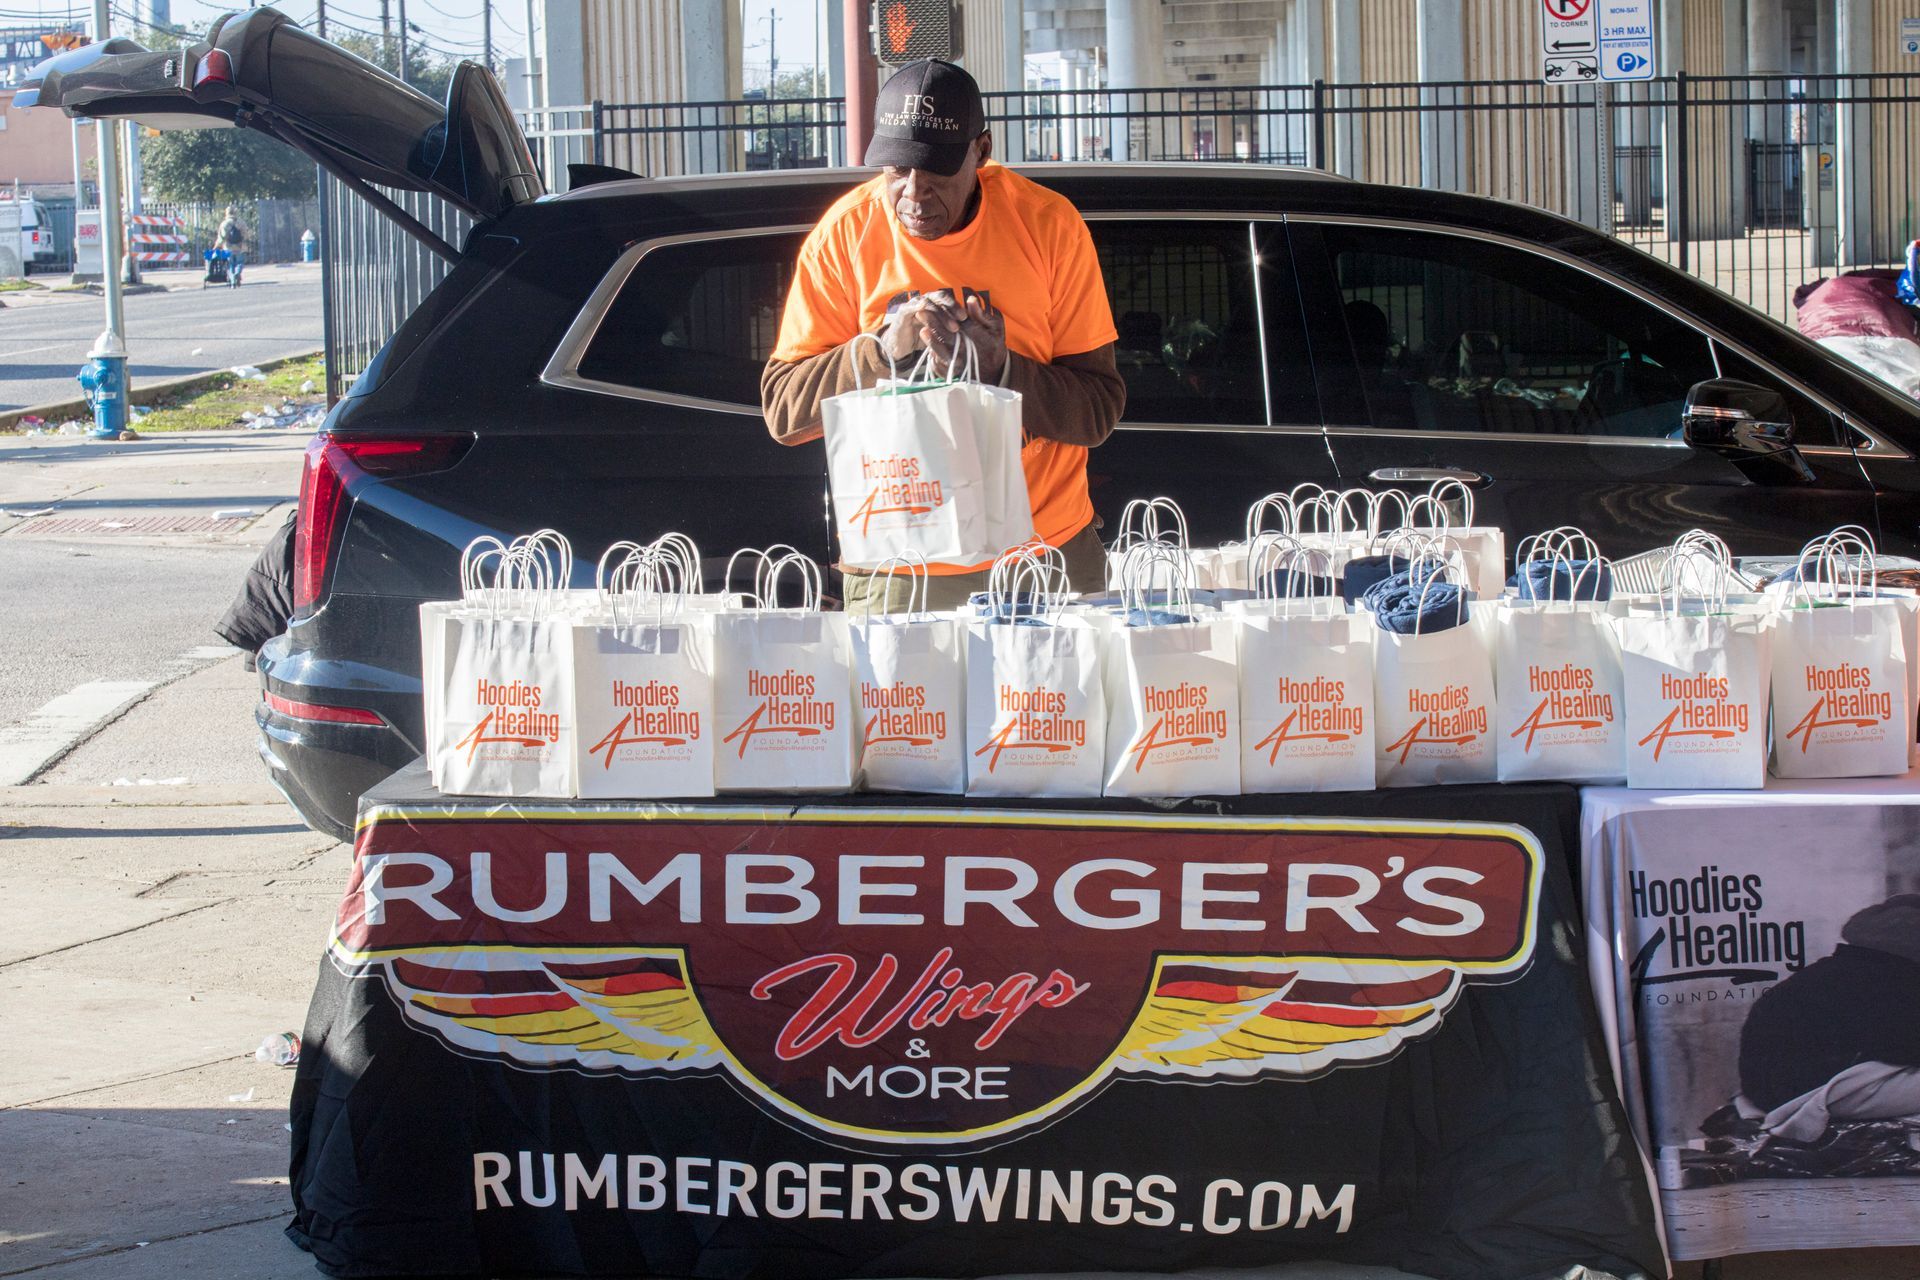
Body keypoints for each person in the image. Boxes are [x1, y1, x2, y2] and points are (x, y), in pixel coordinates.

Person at [760, 59, 1125, 614]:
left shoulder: (1048, 224)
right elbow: (784, 412)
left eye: (935, 172)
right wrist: (881, 350)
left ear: (983, 151)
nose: (914, 194)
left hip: (1042, 554)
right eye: (897, 170)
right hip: (900, 567)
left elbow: (1097, 412)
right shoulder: (844, 235)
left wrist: (1001, 369)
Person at [216, 206, 247, 285]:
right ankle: (238, 272)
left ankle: (233, 280)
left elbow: (221, 238)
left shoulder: (224, 224)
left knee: (230, 264)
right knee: (239, 262)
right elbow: (246, 234)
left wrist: (216, 246)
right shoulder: (241, 222)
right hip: (239, 247)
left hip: (228, 247)